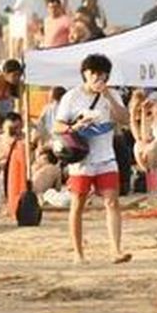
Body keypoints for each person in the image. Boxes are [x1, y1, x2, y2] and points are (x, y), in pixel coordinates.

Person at [55, 53, 131, 264]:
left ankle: (116, 250)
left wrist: (107, 96)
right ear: (85, 74)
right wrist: (74, 127)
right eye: (94, 74)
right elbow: (58, 126)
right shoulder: (72, 96)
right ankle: (78, 253)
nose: (98, 78)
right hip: (82, 158)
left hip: (106, 155)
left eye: (103, 74)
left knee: (112, 201)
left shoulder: (111, 94)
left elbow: (124, 119)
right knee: (78, 203)